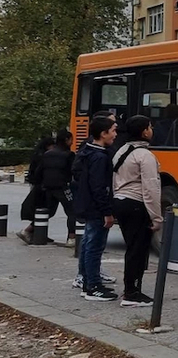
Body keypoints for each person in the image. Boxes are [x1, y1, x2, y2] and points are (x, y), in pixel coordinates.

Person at [112, 115, 163, 307]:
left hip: (120, 202)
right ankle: (132, 293)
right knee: (137, 250)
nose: (152, 130)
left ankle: (131, 290)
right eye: (150, 127)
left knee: (132, 248)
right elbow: (151, 189)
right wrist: (157, 218)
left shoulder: (122, 151)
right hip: (135, 204)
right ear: (144, 132)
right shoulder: (145, 156)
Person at [74, 116, 119, 301]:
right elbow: (100, 187)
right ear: (103, 133)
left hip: (87, 204)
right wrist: (107, 212)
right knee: (94, 246)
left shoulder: (87, 151)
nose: (116, 134)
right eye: (114, 130)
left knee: (88, 243)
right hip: (97, 208)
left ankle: (87, 281)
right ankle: (93, 286)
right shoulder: (100, 157)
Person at [38, 129, 77, 247]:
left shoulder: (47, 154)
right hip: (63, 187)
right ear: (66, 140)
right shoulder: (69, 155)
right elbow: (73, 170)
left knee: (47, 211)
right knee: (72, 211)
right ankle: (71, 238)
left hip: (48, 186)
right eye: (71, 140)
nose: (72, 142)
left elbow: (39, 171)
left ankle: (30, 230)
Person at [17, 136, 55, 245]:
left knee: (41, 209)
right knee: (44, 209)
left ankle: (40, 233)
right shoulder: (43, 156)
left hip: (37, 184)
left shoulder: (38, 154)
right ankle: (28, 231)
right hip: (41, 186)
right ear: (48, 146)